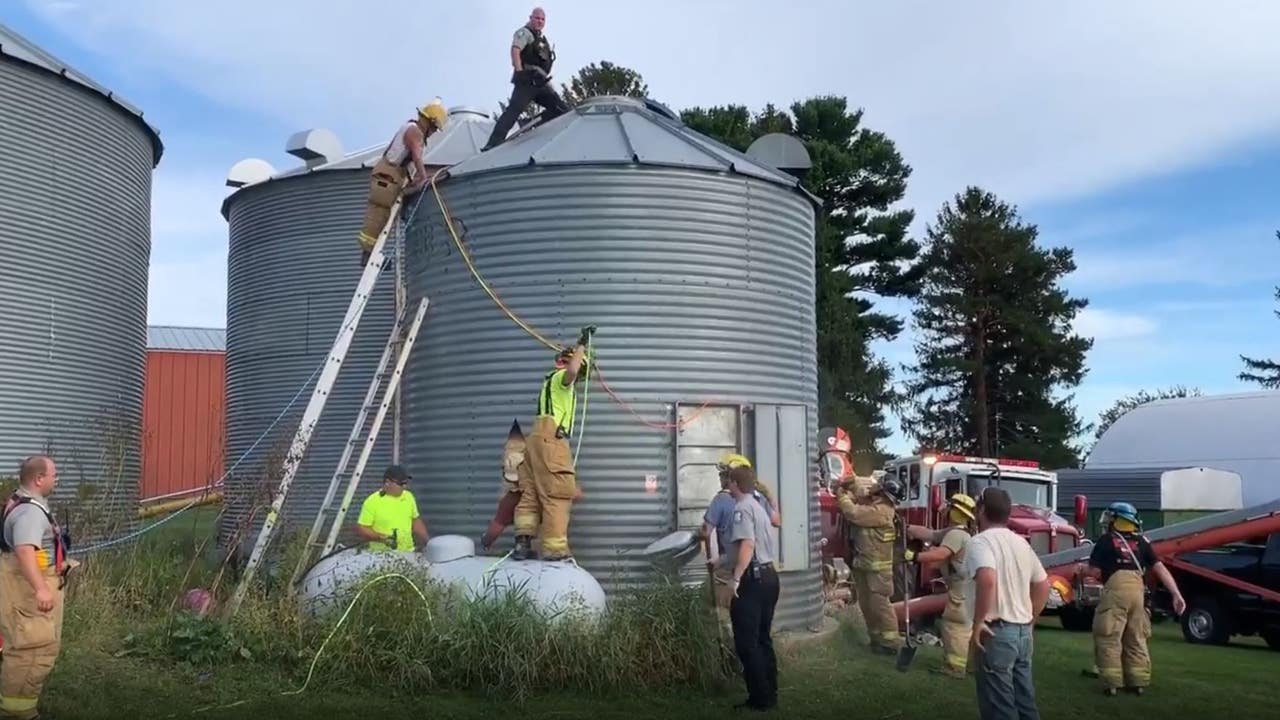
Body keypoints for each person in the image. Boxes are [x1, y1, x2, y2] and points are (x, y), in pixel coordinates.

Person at [1077, 501, 1185, 697]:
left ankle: (1111, 684)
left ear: (1117, 520)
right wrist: (1176, 594)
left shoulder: (1106, 540)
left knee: (1109, 636)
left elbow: (1094, 571)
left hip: (1115, 593)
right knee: (1136, 637)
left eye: (1110, 517)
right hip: (1138, 594)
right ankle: (1138, 683)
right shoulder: (1143, 542)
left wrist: (1081, 570)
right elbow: (1160, 568)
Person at [0, 455, 76, 720]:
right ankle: (16, 714)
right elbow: (24, 550)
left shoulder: (22, 501)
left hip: (23, 593)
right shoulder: (31, 512)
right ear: (39, 479)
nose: (57, 480)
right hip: (28, 597)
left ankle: (20, 711)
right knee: (31, 652)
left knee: (30, 650)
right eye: (54, 475)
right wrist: (41, 588)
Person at [965, 487, 1049, 720]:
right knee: (1025, 702)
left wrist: (979, 621)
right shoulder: (1020, 542)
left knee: (999, 705)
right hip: (1021, 633)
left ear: (981, 510)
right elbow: (1043, 585)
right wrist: (1030, 620)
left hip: (996, 632)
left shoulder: (980, 542)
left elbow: (987, 578)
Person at [512, 326, 595, 561]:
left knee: (530, 493)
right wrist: (582, 345)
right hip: (552, 440)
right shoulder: (561, 379)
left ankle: (522, 544)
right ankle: (555, 550)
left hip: (535, 440)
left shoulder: (548, 381)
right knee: (558, 494)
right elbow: (572, 371)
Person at [357, 99, 449, 266]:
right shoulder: (414, 131)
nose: (435, 132)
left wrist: (414, 181)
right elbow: (416, 156)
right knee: (379, 214)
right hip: (388, 175)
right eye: (435, 128)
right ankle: (368, 256)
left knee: (386, 215)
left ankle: (372, 255)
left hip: (394, 176)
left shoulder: (412, 128)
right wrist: (423, 177)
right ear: (428, 122)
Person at [699, 453, 780, 626]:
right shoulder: (759, 499)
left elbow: (706, 531)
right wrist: (771, 498)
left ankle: (726, 649)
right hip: (760, 571)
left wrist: (696, 536)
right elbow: (777, 521)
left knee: (719, 614)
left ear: (734, 477)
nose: (721, 478)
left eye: (725, 474)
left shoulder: (721, 500)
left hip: (731, 569)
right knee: (755, 625)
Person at [904, 492, 978, 678]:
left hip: (961, 589)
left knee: (955, 626)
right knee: (962, 626)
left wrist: (914, 557)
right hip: (965, 587)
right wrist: (908, 527)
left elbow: (940, 555)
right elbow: (932, 534)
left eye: (950, 507)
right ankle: (969, 665)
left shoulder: (955, 534)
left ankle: (955, 668)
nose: (945, 510)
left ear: (955, 512)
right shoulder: (959, 532)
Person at [724, 466, 780, 711]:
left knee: (748, 643)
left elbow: (747, 545)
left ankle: (759, 699)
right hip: (769, 577)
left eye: (728, 479)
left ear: (734, 483)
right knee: (763, 638)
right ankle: (770, 692)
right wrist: (721, 560)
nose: (726, 483)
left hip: (752, 580)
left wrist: (735, 579)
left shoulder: (741, 509)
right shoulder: (758, 507)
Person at [482, 6, 571, 151]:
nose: (540, 21)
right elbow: (515, 50)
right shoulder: (525, 33)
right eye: (537, 18)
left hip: (541, 82)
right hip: (528, 79)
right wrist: (519, 72)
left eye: (542, 19)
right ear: (530, 18)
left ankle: (530, 123)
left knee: (561, 110)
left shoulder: (542, 39)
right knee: (514, 110)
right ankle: (493, 143)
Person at [836, 476, 905, 655]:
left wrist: (842, 496)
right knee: (867, 604)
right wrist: (850, 482)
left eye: (877, 488)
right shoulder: (875, 505)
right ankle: (876, 640)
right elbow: (862, 493)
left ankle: (891, 643)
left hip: (878, 570)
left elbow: (854, 513)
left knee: (880, 605)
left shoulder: (882, 511)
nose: (873, 489)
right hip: (864, 565)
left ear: (882, 493)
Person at [355, 465, 429, 552]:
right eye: (400, 484)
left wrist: (428, 541)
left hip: (408, 552)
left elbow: (415, 521)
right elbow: (362, 528)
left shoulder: (408, 497)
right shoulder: (373, 501)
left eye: (405, 483)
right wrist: (380, 537)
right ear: (387, 482)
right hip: (382, 555)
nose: (404, 486)